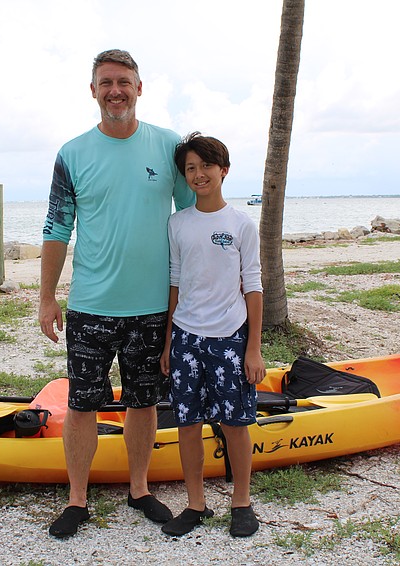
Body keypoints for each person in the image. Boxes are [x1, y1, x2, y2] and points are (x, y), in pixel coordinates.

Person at [39, 49, 196, 538]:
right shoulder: (72, 153)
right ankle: (77, 499)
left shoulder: (169, 148)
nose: (115, 91)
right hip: (90, 307)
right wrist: (47, 297)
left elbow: (192, 220)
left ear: (140, 87)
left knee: (143, 402)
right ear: (93, 90)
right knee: (83, 404)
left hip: (151, 307)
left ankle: (140, 489)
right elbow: (56, 227)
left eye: (124, 82)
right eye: (106, 82)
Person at [159, 132, 265, 537]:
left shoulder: (240, 224)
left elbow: (253, 285)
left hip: (230, 339)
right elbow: (174, 283)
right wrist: (169, 341)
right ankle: (195, 504)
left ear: (223, 170)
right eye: (190, 168)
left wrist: (253, 348)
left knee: (236, 423)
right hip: (186, 337)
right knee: (187, 424)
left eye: (206, 166)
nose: (198, 174)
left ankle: (241, 502)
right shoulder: (177, 224)